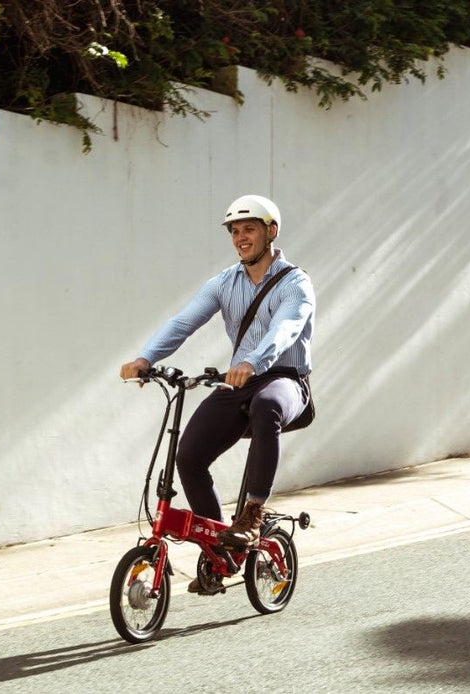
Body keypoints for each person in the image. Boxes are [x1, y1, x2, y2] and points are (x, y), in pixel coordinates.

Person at [120, 194, 315, 593]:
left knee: (267, 405)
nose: (241, 238)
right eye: (235, 232)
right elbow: (183, 322)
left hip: (284, 379)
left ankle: (253, 514)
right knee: (188, 457)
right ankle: (219, 547)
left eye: (250, 229)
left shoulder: (296, 283)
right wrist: (145, 358)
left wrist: (253, 361)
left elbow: (285, 330)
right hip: (238, 381)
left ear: (271, 232)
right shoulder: (224, 283)